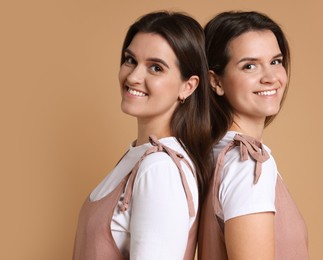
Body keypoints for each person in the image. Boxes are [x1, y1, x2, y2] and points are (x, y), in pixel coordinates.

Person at [73, 11, 212, 260]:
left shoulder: (160, 169)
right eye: (130, 60)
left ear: (187, 86)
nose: (134, 77)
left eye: (155, 67)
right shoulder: (140, 156)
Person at [198, 11, 309, 259]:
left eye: (276, 61)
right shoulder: (247, 164)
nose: (271, 78)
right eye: (250, 66)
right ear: (215, 81)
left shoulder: (217, 152)